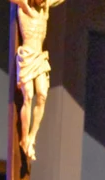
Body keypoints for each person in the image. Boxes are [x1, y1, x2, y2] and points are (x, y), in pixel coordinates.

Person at [9, 0, 66, 161]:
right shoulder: (24, 8)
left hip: (40, 56)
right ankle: (24, 138)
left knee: (42, 95)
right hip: (27, 54)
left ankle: (32, 136)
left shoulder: (45, 8)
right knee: (28, 96)